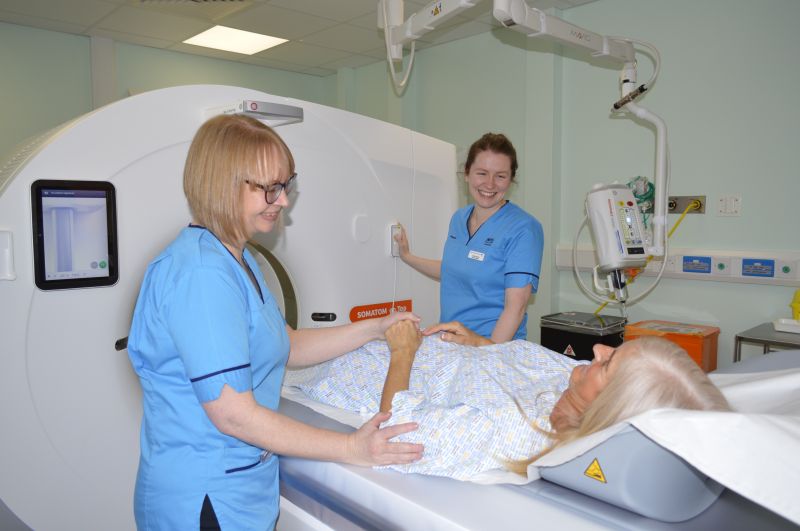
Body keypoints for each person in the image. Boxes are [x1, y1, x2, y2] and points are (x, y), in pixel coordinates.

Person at [126, 114, 423, 531]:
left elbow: (290, 344)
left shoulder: (239, 258)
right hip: (205, 498)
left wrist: (375, 327)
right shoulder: (201, 274)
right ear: (223, 183)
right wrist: (352, 447)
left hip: (242, 487)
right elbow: (235, 416)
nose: (282, 200)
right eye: (270, 188)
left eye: (285, 186)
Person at [286, 320, 729, 481]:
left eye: (609, 364)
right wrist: (480, 345)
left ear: (609, 407)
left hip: (349, 371)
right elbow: (518, 357)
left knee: (266, 345)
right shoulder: (569, 379)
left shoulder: (516, 431)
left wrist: (403, 351)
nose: (598, 349)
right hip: (406, 348)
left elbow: (392, 435)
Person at [394, 133, 544, 342]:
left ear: (511, 179)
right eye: (482, 173)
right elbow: (453, 268)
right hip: (450, 340)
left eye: (500, 176)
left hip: (495, 346)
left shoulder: (524, 229)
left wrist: (487, 353)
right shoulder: (459, 218)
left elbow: (516, 308)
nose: (490, 184)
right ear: (467, 173)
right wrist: (408, 256)